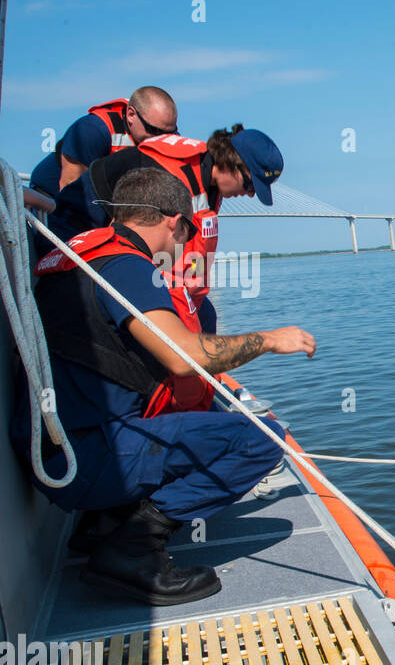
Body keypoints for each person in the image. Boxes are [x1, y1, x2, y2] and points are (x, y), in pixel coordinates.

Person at [12, 167, 315, 606]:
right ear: (173, 222)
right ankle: (132, 548)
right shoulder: (127, 267)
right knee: (264, 440)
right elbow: (184, 356)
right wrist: (269, 340)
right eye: (187, 228)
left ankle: (106, 521)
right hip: (84, 459)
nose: (186, 239)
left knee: (203, 413)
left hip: (55, 450)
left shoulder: (80, 252)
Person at [50, 124, 284, 412]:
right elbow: (135, 234)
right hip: (84, 232)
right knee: (173, 320)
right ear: (232, 165)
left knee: (205, 312)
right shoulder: (170, 175)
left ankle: (195, 394)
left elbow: (188, 251)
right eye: (250, 185)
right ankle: (159, 401)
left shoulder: (209, 184)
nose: (249, 195)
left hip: (137, 250)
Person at [29, 87, 178, 197]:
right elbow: (69, 187)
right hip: (51, 203)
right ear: (131, 115)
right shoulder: (91, 130)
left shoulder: (162, 131)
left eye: (169, 133)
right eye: (153, 130)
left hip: (106, 201)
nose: (161, 139)